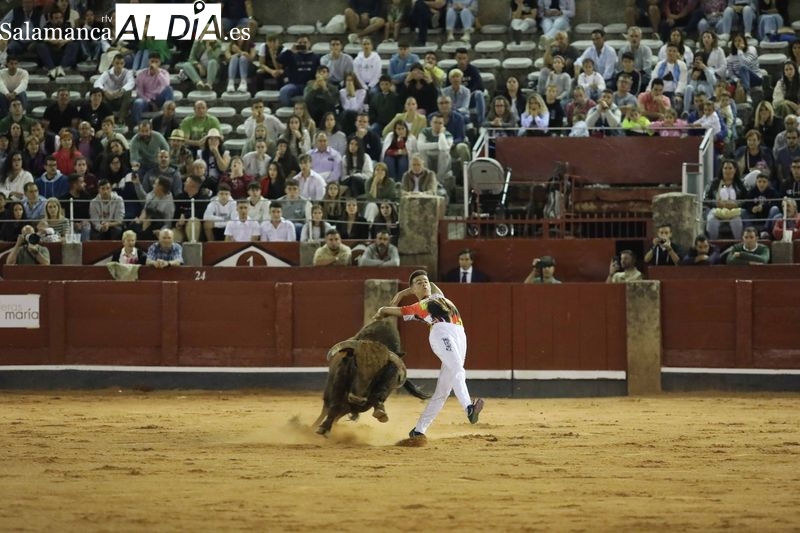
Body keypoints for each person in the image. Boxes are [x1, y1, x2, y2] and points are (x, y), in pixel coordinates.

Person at [372, 269, 485, 439]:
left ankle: (418, 431)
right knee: (457, 369)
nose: (424, 283)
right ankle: (469, 408)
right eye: (419, 283)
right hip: (441, 334)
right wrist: (381, 311)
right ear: (414, 290)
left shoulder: (438, 296)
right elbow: (390, 310)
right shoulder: (418, 307)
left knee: (442, 392)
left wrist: (405, 291)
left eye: (425, 281)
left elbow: (431, 285)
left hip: (460, 335)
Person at [705, 159, 747, 240]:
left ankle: (738, 242)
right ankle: (712, 243)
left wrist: (737, 204)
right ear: (722, 170)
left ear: (735, 170)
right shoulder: (714, 183)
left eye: (730, 168)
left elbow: (746, 199)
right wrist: (716, 203)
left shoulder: (740, 183)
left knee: (737, 222)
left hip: (735, 211)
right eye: (725, 168)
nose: (727, 171)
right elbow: (706, 199)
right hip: (717, 210)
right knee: (711, 221)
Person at [132, 56, 174, 127]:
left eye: (156, 62)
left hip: (159, 99)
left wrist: (157, 72)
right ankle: (137, 124)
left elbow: (166, 84)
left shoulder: (164, 73)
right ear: (148, 62)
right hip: (147, 101)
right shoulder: (141, 74)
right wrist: (150, 102)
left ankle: (169, 118)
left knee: (169, 89)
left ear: (160, 63)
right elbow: (139, 92)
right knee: (138, 102)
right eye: (152, 61)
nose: (153, 64)